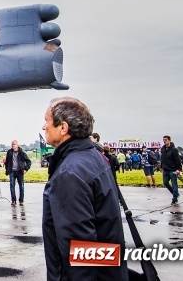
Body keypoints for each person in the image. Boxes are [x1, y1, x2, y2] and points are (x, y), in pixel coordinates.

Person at [41, 97, 127, 280]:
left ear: (63, 127)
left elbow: (80, 249)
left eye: (47, 121)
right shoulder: (93, 158)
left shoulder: (70, 173)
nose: (44, 127)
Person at [4, 140, 31, 206]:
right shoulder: (9, 152)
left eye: (14, 144)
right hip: (12, 171)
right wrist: (7, 170)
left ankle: (21, 200)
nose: (13, 146)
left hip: (20, 171)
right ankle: (13, 200)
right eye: (12, 144)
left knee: (21, 186)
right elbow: (7, 162)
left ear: (17, 145)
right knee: (12, 186)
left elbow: (28, 161)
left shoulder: (22, 152)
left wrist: (26, 169)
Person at [160, 134, 183, 205]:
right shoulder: (163, 148)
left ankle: (174, 198)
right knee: (165, 182)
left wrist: (179, 169)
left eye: (166, 140)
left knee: (174, 184)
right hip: (165, 169)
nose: (164, 141)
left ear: (169, 140)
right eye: (163, 140)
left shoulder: (174, 149)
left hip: (173, 169)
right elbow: (162, 158)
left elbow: (177, 159)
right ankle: (175, 193)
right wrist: (161, 166)